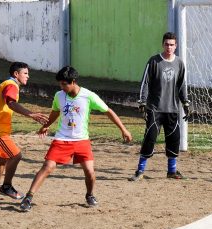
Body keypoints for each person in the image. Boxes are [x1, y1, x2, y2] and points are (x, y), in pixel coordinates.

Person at [20, 66, 132, 211]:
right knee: (48, 167)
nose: (61, 87)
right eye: (60, 84)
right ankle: (28, 197)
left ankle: (90, 195)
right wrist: (46, 125)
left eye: (64, 84)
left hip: (81, 140)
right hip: (62, 139)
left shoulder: (88, 96)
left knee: (90, 172)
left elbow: (108, 111)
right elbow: (55, 112)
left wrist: (123, 129)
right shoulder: (59, 95)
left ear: (73, 81)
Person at [129, 32, 191, 181]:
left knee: (174, 139)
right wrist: (142, 102)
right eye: (166, 44)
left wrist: (186, 103)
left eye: (172, 44)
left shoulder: (179, 64)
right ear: (163, 44)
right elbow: (145, 83)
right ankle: (140, 171)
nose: (169, 47)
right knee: (150, 138)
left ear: (176, 46)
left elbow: (182, 85)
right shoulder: (154, 61)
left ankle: (172, 171)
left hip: (172, 109)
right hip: (155, 109)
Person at [0, 62, 49, 199]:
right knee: (16, 156)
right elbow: (11, 102)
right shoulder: (11, 85)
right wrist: (30, 114)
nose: (28, 76)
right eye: (25, 73)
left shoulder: (2, 85)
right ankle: (6, 187)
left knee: (4, 157)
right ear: (16, 74)